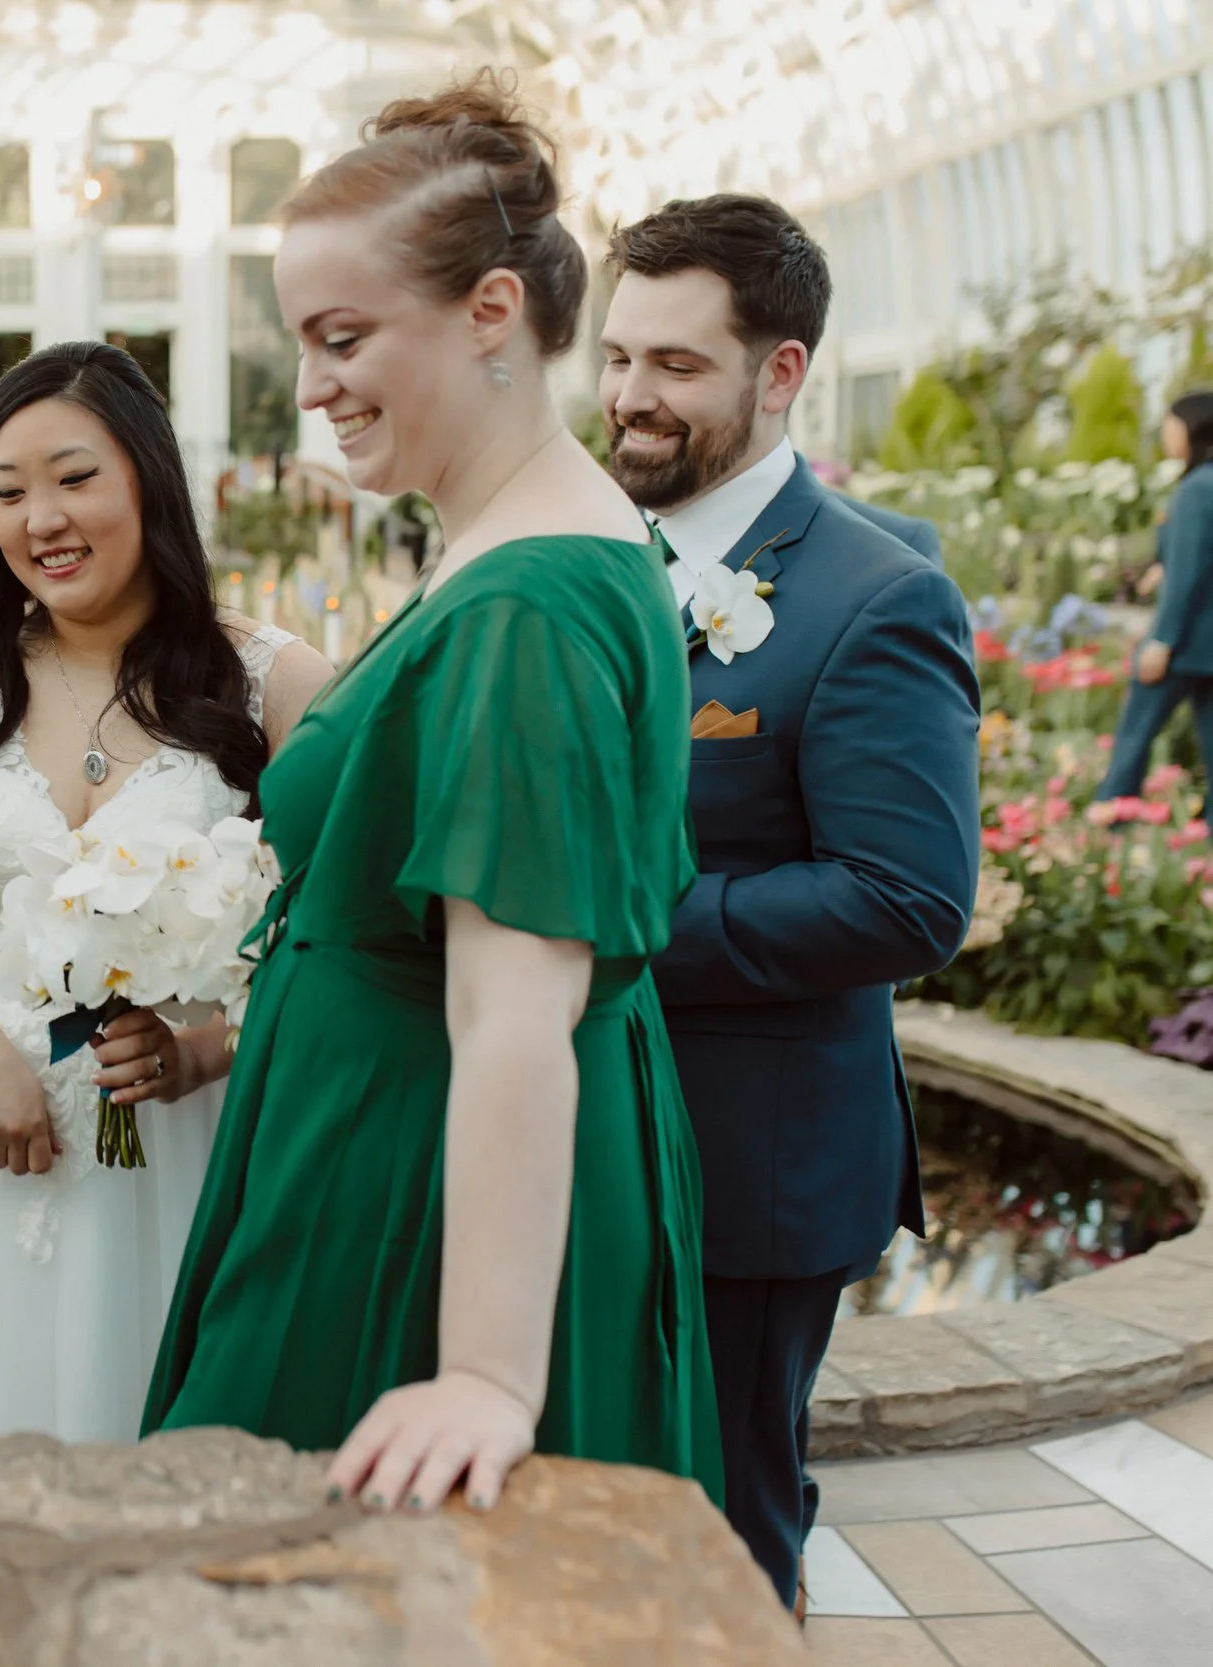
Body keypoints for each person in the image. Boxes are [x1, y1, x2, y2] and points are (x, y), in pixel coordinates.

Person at [143, 73, 724, 1519]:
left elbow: (515, 1002)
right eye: (304, 343)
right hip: (380, 1137)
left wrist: (483, 1374)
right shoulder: (506, 539)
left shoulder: (528, 599)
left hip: (409, 1190)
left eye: (345, 338)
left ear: (491, 313)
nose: (317, 384)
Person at [0, 343, 329, 1478]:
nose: (40, 515)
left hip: (181, 1143)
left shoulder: (273, 683)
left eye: (74, 476)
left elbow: (337, 938)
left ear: (146, 476)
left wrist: (207, 1049)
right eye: (6, 489)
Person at [599, 194, 980, 1608]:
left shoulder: (880, 595)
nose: (633, 397)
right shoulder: (586, 555)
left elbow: (906, 898)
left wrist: (613, 931)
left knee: (734, 1535)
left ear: (782, 373)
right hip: (587, 1131)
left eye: (678, 365)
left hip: (750, 1166)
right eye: (622, 355)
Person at [1097, 391, 1213, 802]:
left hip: (1183, 645)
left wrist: (1161, 642)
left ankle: (1109, 823)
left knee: (1133, 739)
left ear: (1194, 428)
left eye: (1170, 424)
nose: (1165, 433)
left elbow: (1187, 576)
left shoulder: (1197, 489)